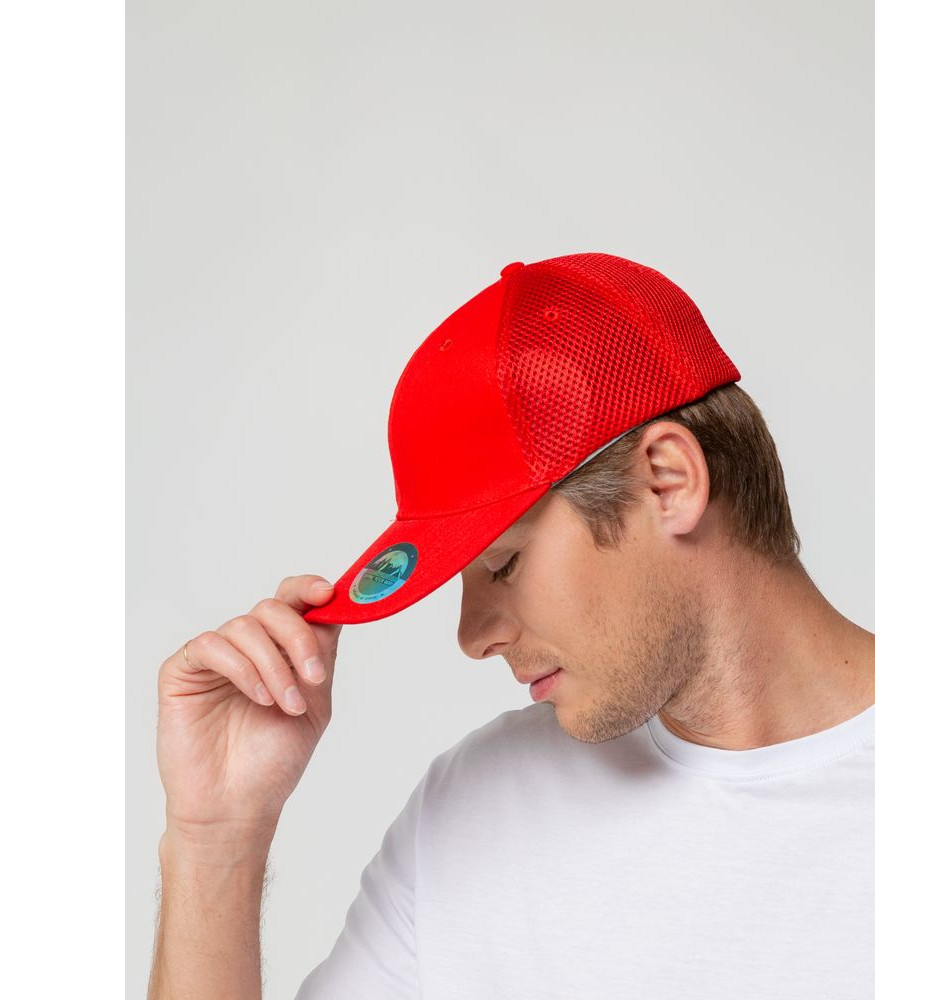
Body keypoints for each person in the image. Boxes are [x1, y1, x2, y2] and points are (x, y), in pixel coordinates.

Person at [147, 253, 875, 999]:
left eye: (503, 564)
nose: (472, 638)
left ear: (669, 482)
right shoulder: (479, 806)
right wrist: (217, 839)